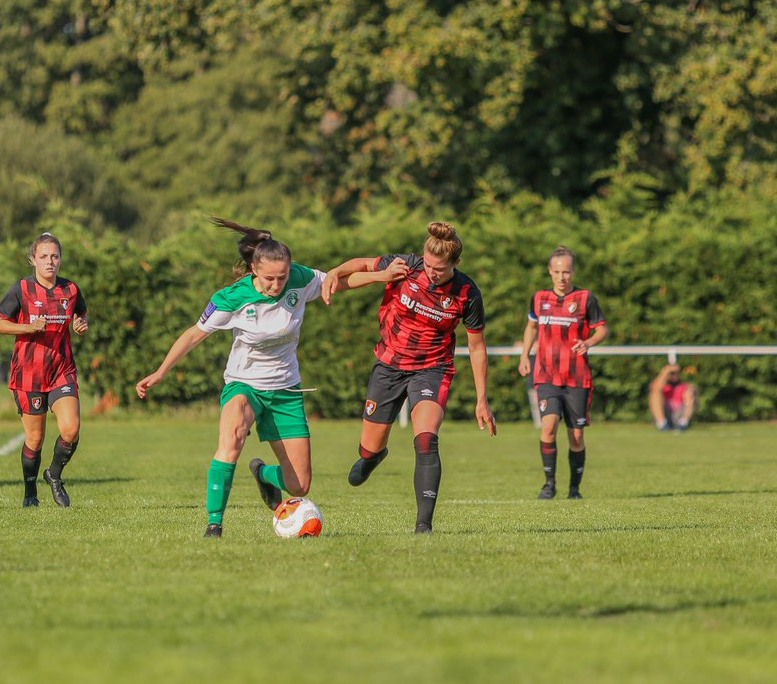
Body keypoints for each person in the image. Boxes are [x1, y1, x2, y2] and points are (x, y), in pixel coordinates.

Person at [136, 219, 384, 538]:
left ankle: (265, 475)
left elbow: (338, 280)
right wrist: (160, 372)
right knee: (233, 437)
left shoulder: (299, 278)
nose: (276, 284)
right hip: (244, 384)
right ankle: (214, 524)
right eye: (269, 278)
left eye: (282, 277)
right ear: (254, 269)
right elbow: (194, 335)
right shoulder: (232, 298)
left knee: (300, 484)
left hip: (286, 390)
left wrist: (381, 275)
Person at [323, 221, 496, 535]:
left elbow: (477, 346)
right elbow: (361, 264)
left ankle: (423, 526)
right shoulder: (407, 265)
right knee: (367, 452)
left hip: (432, 368)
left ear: (456, 264)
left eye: (440, 269)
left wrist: (482, 399)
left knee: (427, 439)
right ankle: (374, 456)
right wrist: (334, 272)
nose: (432, 273)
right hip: (388, 365)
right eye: (429, 265)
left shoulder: (467, 293)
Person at [0, 233, 88, 508]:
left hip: (61, 370)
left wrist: (81, 323)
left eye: (54, 256)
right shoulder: (21, 289)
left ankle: (54, 474)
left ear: (60, 259)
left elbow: (81, 313)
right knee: (35, 438)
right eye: (44, 256)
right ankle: (30, 492)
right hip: (28, 374)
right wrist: (27, 327)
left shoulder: (70, 289)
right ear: (33, 259)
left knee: (71, 429)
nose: (50, 262)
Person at [517, 246, 608, 500]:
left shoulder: (585, 298)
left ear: (573, 272)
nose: (561, 277)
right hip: (546, 374)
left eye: (566, 272)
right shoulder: (538, 298)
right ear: (549, 271)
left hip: (577, 377)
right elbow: (531, 327)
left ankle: (574, 489)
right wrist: (524, 355)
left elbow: (602, 329)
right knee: (547, 427)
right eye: (557, 272)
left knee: (576, 436)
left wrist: (588, 342)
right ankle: (549, 484)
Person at [650, 363, 697, 431]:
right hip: (665, 413)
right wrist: (666, 371)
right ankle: (662, 424)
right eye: (672, 373)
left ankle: (683, 423)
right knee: (655, 394)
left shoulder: (684, 385)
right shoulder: (662, 385)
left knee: (689, 392)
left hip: (679, 413)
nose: (674, 375)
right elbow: (655, 388)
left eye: (676, 373)